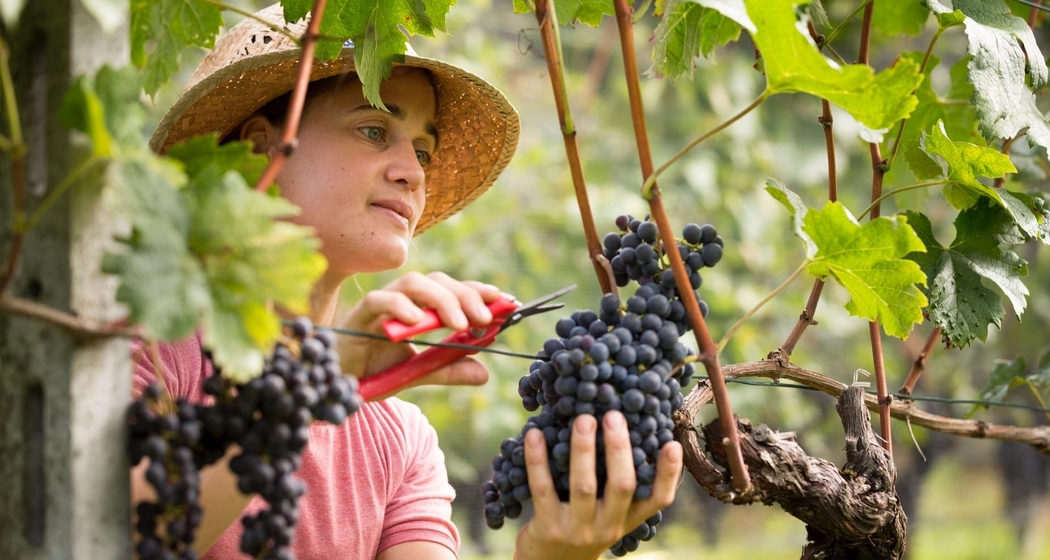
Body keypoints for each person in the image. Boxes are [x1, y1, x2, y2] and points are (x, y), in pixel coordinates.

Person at [132, 5, 683, 560]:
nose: (414, 172)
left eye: (422, 150)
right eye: (374, 130)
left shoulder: (398, 438)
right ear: (259, 149)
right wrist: (310, 388)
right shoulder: (152, 349)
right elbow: (106, 539)